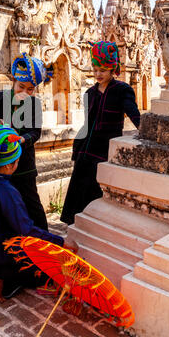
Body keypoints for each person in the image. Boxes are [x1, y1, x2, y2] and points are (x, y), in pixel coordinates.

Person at [0, 125, 75, 302]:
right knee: (44, 272)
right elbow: (27, 230)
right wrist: (61, 242)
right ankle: (0, 279)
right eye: (17, 161)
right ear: (10, 165)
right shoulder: (8, 191)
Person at [60, 41, 141, 226]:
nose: (98, 74)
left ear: (113, 69)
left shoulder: (122, 90)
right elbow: (87, 123)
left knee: (98, 194)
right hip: (85, 150)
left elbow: (134, 114)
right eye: (95, 69)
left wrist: (145, 132)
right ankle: (75, 226)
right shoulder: (89, 92)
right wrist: (76, 150)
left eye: (103, 70)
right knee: (78, 193)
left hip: (105, 151)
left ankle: (94, 226)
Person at [0, 53, 53, 231]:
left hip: (24, 166)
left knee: (33, 208)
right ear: (13, 81)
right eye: (21, 87)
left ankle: (43, 241)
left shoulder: (34, 104)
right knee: (0, 208)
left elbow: (35, 133)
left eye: (30, 89)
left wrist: (21, 139)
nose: (25, 93)